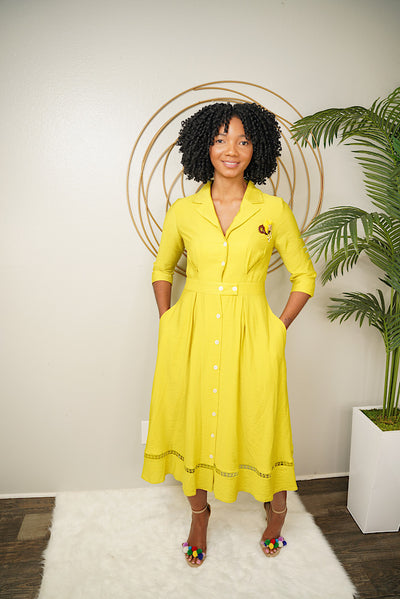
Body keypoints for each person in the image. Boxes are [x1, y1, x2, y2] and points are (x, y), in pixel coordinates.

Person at [142, 102, 316, 566]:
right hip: (192, 331)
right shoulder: (184, 211)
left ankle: (277, 510)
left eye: (242, 140)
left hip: (254, 332)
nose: (231, 150)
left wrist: (277, 327)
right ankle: (199, 517)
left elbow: (304, 275)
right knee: (195, 421)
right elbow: (162, 268)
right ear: (205, 147)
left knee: (263, 418)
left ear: (257, 148)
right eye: (220, 140)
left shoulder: (273, 210)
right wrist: (167, 319)